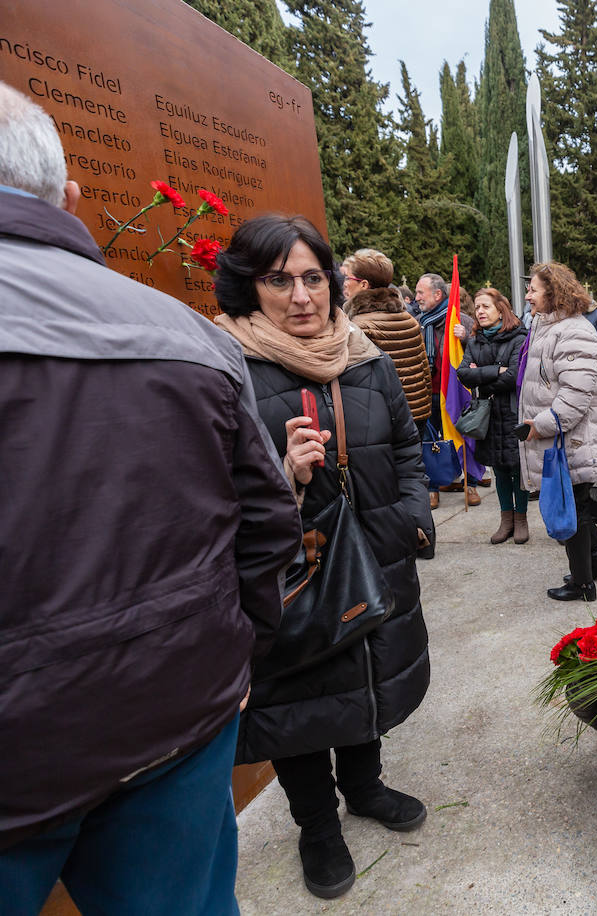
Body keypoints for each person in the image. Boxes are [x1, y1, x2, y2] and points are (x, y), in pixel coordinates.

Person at [0, 82, 302, 915]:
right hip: (178, 712)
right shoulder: (191, 337)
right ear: (68, 198)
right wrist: (237, 657)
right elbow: (267, 526)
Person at [214, 215, 434, 899]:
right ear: (250, 285)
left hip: (377, 554)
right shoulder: (230, 368)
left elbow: (405, 448)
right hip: (292, 571)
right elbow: (210, 482)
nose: (301, 296)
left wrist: (410, 518)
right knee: (301, 697)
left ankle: (364, 787)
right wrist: (285, 476)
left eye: (313, 277)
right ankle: (316, 824)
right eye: (280, 280)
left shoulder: (365, 355)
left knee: (365, 672)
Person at [518, 261, 597, 601]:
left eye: (533, 289)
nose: (528, 295)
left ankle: (582, 584)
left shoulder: (572, 331)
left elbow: (574, 398)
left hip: (576, 437)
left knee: (572, 511)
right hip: (570, 437)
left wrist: (540, 426)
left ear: (553, 292)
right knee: (578, 506)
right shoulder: (550, 327)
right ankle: (596, 566)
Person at [456, 287, 531, 545]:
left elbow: (513, 376)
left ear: (501, 309)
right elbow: (463, 373)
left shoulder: (518, 337)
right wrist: (495, 371)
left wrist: (483, 376)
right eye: (477, 307)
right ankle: (505, 520)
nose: (480, 311)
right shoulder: (475, 340)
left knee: (516, 467)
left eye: (485, 306)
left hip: (512, 411)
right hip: (488, 415)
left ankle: (521, 519)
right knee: (498, 469)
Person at [342, 248, 431, 425]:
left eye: (348, 278)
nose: (344, 284)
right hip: (417, 414)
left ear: (364, 285)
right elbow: (425, 372)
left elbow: (357, 385)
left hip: (383, 420)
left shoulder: (358, 327)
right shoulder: (410, 320)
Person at [413, 273, 480, 507]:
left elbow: (483, 352)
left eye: (421, 292)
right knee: (429, 440)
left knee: (464, 436)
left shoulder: (460, 320)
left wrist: (466, 339)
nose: (416, 297)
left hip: (456, 393)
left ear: (438, 294)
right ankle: (433, 487)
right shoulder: (416, 322)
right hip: (425, 393)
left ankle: (470, 483)